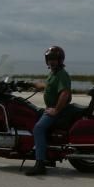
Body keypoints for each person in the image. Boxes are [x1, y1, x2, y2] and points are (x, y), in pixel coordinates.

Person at [26, 45, 72, 176]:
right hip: (52, 108)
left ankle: (40, 164)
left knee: (38, 128)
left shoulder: (62, 74)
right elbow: (47, 86)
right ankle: (47, 155)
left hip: (58, 110)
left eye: (54, 59)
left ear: (60, 60)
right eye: (49, 59)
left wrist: (56, 110)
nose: (51, 61)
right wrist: (29, 83)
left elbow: (65, 94)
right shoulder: (54, 73)